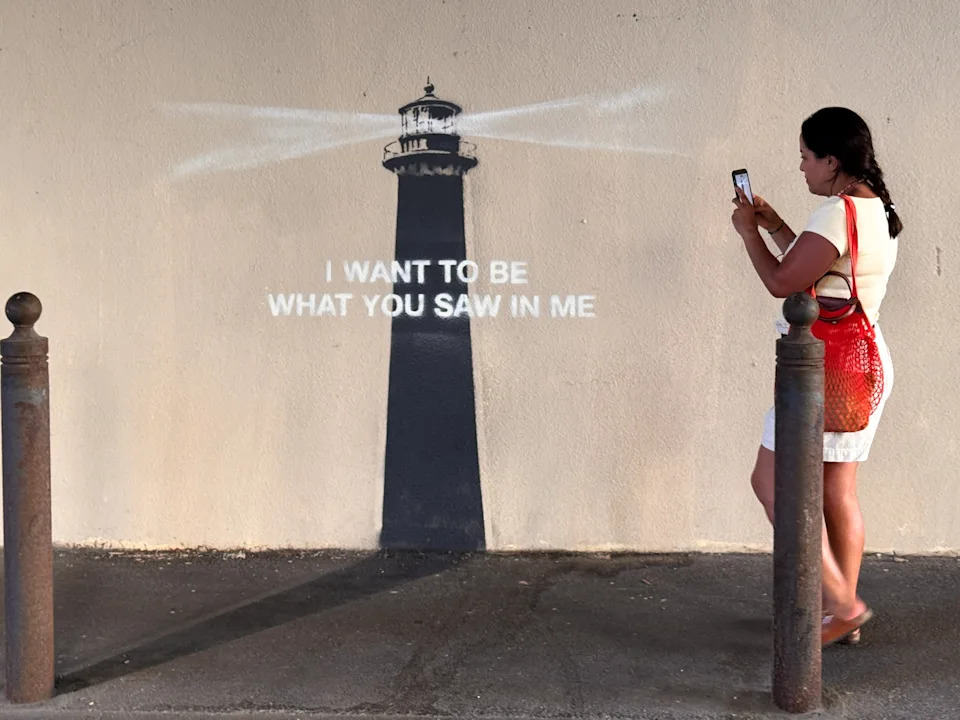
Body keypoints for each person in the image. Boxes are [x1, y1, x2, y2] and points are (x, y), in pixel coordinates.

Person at [730, 107, 902, 646]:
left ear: (832, 160)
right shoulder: (876, 207)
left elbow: (784, 281)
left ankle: (844, 605)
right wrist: (777, 224)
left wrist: (746, 234)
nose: (801, 166)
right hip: (865, 363)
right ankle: (839, 614)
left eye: (806, 156)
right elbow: (822, 268)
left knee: (770, 482)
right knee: (836, 490)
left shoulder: (834, 214)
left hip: (823, 371)